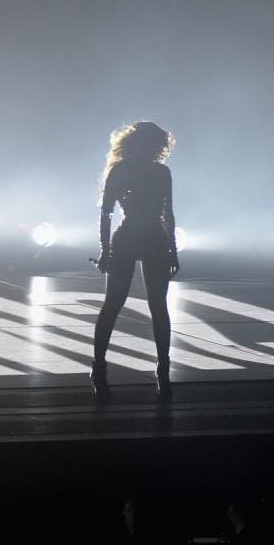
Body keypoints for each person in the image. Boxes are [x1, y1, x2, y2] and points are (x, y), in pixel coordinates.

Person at [91, 121, 180, 400]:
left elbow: (167, 212)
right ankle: (99, 367)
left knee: (157, 306)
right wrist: (105, 249)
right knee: (114, 304)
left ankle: (162, 370)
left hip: (149, 238)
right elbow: (106, 213)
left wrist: (173, 249)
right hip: (133, 237)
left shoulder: (160, 172)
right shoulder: (123, 170)